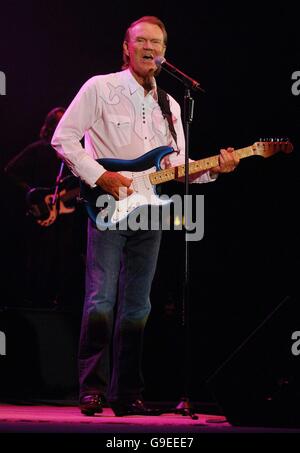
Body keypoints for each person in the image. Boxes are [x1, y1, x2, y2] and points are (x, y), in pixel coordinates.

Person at [51, 16, 239, 416]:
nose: (149, 47)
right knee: (101, 298)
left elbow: (177, 165)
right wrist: (101, 176)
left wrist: (215, 168)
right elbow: (63, 139)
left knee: (139, 305)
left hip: (150, 212)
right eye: (141, 41)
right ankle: (92, 389)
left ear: (165, 52)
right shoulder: (99, 88)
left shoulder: (170, 106)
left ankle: (127, 391)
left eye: (157, 42)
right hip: (105, 206)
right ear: (127, 47)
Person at [5, 107, 84, 309]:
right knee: (41, 257)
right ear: (50, 127)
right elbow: (10, 171)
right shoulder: (38, 149)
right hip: (42, 214)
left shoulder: (73, 154)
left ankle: (58, 299)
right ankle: (34, 298)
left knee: (65, 256)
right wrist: (34, 194)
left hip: (65, 216)